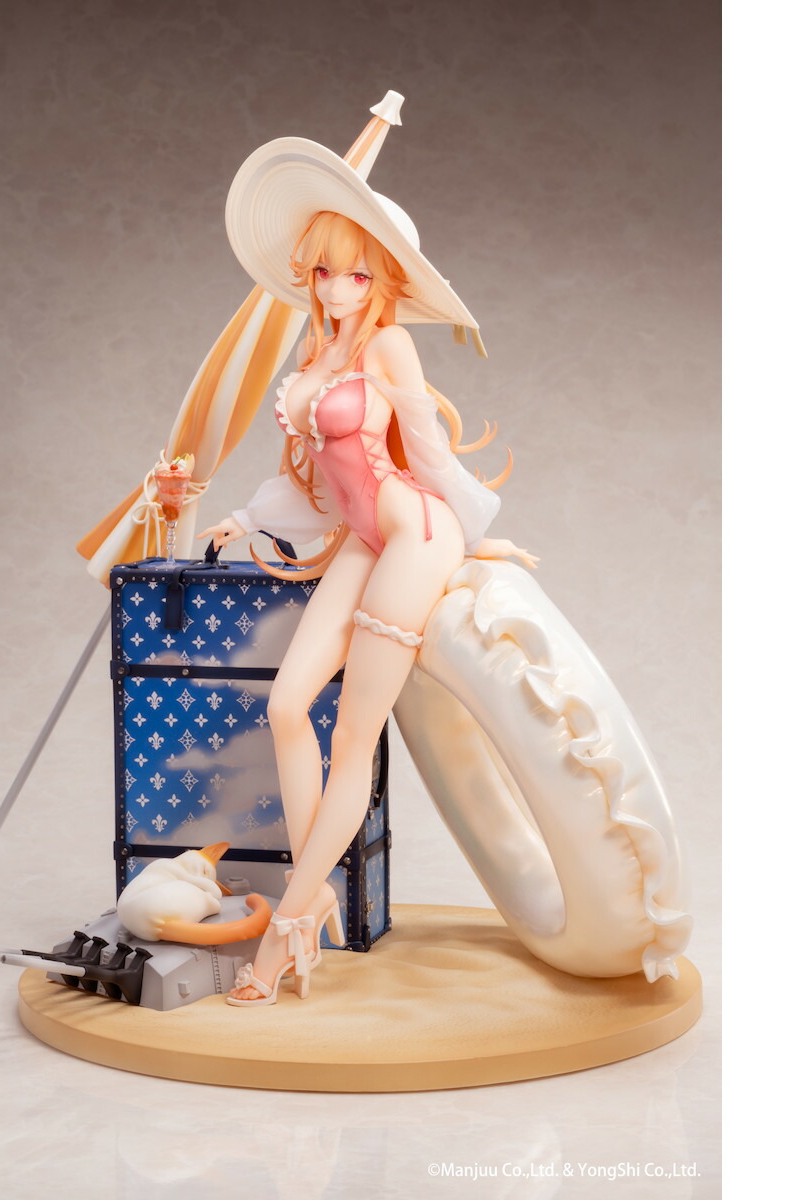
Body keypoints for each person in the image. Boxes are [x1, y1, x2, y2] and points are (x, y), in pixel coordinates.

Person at [199, 136, 536, 1005]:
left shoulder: (388, 349)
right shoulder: (314, 362)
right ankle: (312, 903)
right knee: (286, 706)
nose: (335, 288)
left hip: (413, 533)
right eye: (322, 271)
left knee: (352, 737)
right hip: (362, 537)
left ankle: (283, 935)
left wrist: (474, 536)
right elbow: (314, 484)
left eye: (354, 274)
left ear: (382, 279)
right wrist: (245, 519)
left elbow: (427, 454)